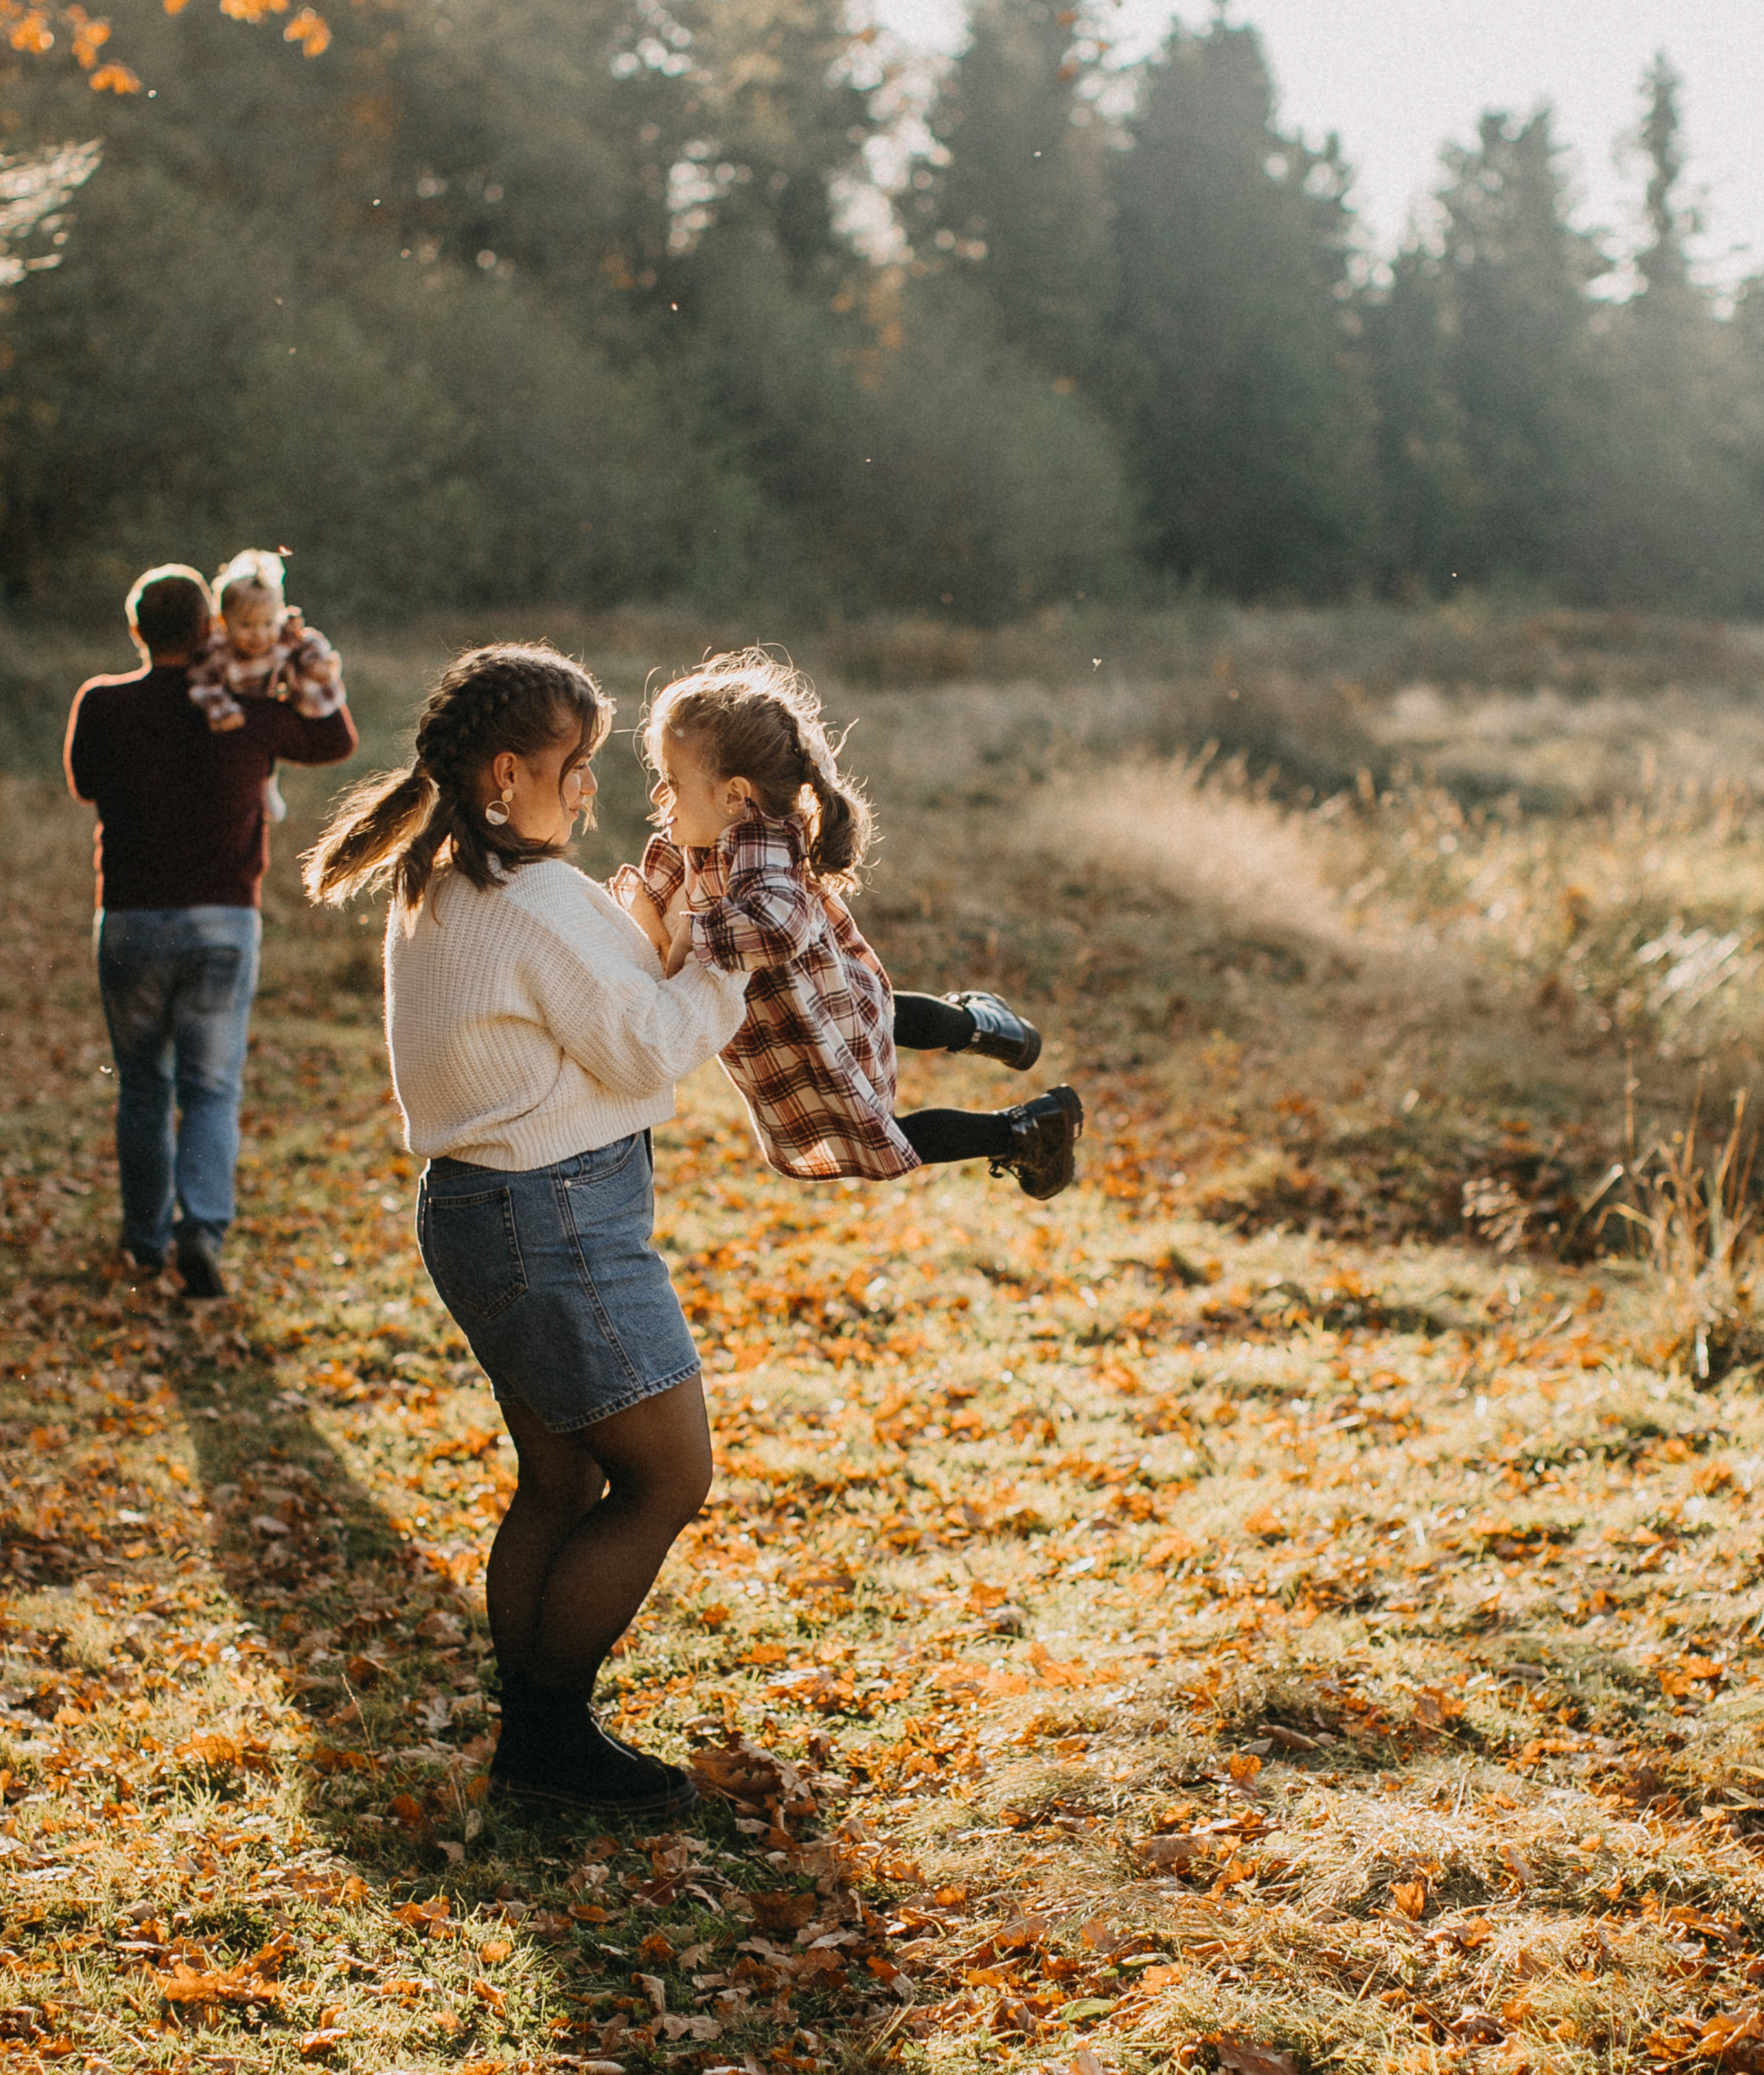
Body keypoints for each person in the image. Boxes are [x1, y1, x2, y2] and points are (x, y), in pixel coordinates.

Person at [304, 642, 745, 1824]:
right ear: (507, 772)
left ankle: (537, 1736)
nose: (589, 788)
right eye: (575, 765)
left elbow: (603, 980)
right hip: (553, 1217)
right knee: (667, 1476)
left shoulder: (448, 875)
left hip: (483, 1214)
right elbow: (648, 1042)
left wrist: (660, 929)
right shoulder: (530, 899)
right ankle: (549, 1739)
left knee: (556, 1482)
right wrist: (732, 960)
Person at [617, 650, 1083, 1197]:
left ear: (735, 795)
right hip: (809, 1011)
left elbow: (780, 926)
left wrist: (698, 935)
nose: (658, 796)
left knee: (878, 1135)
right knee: (887, 1015)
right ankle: (983, 1025)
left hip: (811, 1017)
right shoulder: (717, 830)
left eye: (671, 781)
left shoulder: (761, 846)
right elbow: (660, 892)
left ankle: (1024, 1127)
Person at [64, 562, 358, 1298]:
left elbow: (85, 784)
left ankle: (143, 1243)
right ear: (209, 629)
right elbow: (335, 739)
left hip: (130, 920)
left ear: (136, 630)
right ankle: (201, 1228)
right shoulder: (239, 711)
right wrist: (293, 656)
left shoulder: (102, 704)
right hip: (224, 921)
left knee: (141, 1086)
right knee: (212, 1088)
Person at [186, 549, 347, 825]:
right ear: (223, 621)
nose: (259, 634)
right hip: (235, 706)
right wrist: (222, 710)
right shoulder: (218, 652)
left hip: (271, 702)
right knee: (234, 747)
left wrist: (316, 663)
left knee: (268, 740)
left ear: (279, 616)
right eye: (247, 625)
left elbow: (308, 642)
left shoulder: (282, 637)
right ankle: (253, 787)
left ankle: (268, 783)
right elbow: (203, 684)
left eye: (267, 623)